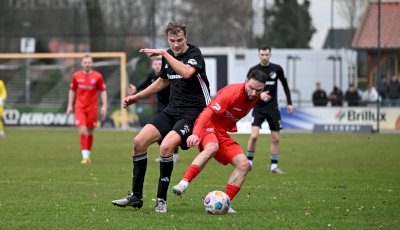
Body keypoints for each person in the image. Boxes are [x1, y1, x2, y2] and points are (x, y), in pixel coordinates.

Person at [111, 21, 211, 213]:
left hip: (194, 112)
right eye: (172, 41)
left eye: (179, 40)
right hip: (171, 110)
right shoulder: (169, 55)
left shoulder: (194, 54)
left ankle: (161, 200)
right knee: (139, 142)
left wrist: (165, 53)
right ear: (168, 39)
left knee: (166, 147)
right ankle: (136, 196)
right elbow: (162, 81)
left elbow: (187, 73)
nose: (176, 44)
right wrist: (136, 97)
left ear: (186, 38)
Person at [172, 70, 268, 213]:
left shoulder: (256, 96)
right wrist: (196, 134)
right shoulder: (231, 93)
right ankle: (183, 183)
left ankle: (225, 203)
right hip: (208, 124)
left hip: (222, 132)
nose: (254, 93)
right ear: (246, 81)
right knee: (212, 147)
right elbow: (207, 113)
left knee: (244, 164)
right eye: (251, 88)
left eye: (258, 90)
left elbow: (258, 95)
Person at [245, 46, 294, 174]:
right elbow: (246, 88)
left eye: (267, 54)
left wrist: (289, 102)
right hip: (258, 107)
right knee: (254, 135)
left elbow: (285, 85)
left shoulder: (276, 69)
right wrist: (259, 95)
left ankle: (273, 166)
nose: (264, 57)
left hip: (273, 108)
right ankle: (248, 162)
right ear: (258, 55)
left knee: (276, 138)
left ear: (270, 54)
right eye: (262, 54)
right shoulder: (253, 70)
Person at [128, 57, 179, 163]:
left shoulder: (169, 75)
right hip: (160, 108)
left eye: (159, 64)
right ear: (152, 66)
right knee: (157, 132)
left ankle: (174, 154)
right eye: (155, 64)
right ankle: (169, 153)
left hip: (172, 106)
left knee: (171, 132)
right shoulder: (151, 75)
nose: (157, 66)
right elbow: (145, 84)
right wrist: (136, 89)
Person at [66, 54, 107, 164]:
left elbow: (103, 91)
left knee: (90, 132)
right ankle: (84, 156)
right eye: (85, 62)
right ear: (82, 63)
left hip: (92, 108)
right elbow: (72, 90)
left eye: (89, 62)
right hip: (79, 107)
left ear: (91, 63)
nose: (87, 64)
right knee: (83, 130)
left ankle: (87, 154)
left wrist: (104, 106)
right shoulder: (76, 76)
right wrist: (70, 105)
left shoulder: (98, 76)